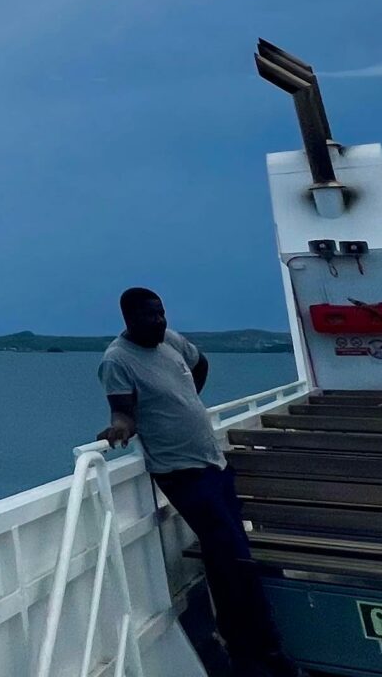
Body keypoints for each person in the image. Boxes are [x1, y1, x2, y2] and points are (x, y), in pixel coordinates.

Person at [98, 287, 286, 677]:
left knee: (228, 557)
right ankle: (257, 654)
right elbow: (123, 412)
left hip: (214, 463)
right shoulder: (117, 360)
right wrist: (119, 429)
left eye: (161, 313)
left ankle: (250, 650)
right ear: (129, 318)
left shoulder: (170, 341)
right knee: (234, 558)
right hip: (180, 472)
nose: (159, 321)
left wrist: (187, 399)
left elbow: (200, 364)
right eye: (149, 316)